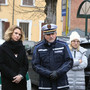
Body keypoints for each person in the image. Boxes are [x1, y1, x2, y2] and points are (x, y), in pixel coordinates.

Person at [32, 24, 73, 90]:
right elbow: (35, 65)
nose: (51, 36)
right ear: (44, 35)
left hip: (61, 84)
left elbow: (69, 61)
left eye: (53, 34)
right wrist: (48, 73)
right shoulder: (38, 48)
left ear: (56, 34)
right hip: (45, 84)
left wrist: (58, 73)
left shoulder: (63, 45)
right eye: (48, 35)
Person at [0, 25, 28, 90]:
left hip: (21, 82)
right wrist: (13, 76)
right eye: (16, 33)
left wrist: (20, 75)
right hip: (9, 81)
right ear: (10, 33)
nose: (17, 35)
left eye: (19, 34)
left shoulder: (22, 48)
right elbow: (2, 65)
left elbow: (25, 64)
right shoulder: (3, 48)